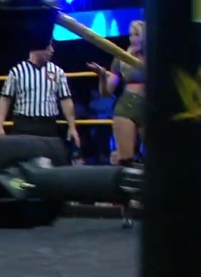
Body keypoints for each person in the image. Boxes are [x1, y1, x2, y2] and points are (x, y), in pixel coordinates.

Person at [87, 20, 146, 229]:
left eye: (136, 34)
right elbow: (107, 92)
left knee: (157, 158)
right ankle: (126, 211)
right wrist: (102, 76)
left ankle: (155, 204)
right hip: (126, 106)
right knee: (125, 161)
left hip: (150, 107)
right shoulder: (121, 56)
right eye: (130, 34)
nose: (132, 38)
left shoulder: (156, 55)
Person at [0, 42, 80, 147]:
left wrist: (72, 127)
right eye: (48, 47)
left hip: (48, 124)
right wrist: (0, 126)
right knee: (23, 154)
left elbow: (65, 99)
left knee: (48, 155)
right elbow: (5, 99)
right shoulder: (17, 71)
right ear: (37, 49)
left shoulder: (57, 72)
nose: (52, 51)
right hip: (23, 124)